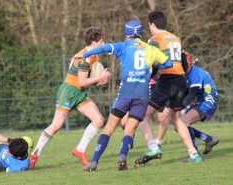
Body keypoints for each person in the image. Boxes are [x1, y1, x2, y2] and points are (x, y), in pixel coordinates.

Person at [73, 20, 173, 171]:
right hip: (142, 97)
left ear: (126, 33)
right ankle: (122, 156)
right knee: (129, 131)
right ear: (140, 33)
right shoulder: (150, 49)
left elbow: (104, 48)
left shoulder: (123, 46)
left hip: (125, 95)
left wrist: (85, 54)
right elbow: (169, 64)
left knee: (109, 129)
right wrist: (157, 65)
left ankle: (93, 162)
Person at [29, 27, 112, 169]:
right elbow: (82, 82)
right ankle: (34, 155)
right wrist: (100, 77)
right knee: (56, 126)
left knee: (98, 120)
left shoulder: (95, 56)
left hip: (79, 93)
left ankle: (80, 150)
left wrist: (101, 79)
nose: (103, 43)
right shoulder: (84, 58)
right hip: (68, 91)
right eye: (101, 41)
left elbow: (88, 80)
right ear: (94, 42)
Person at [135, 10, 202, 164]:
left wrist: (144, 78)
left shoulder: (154, 39)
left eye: (149, 25)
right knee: (176, 119)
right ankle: (194, 155)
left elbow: (153, 64)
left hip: (167, 81)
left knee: (141, 115)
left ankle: (154, 147)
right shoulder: (176, 38)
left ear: (152, 24)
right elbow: (182, 61)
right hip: (181, 81)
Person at [179, 50, 219, 162]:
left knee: (183, 123)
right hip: (201, 102)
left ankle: (195, 155)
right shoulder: (186, 74)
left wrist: (179, 106)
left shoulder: (195, 73)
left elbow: (191, 94)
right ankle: (209, 139)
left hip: (208, 102)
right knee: (178, 125)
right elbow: (186, 92)